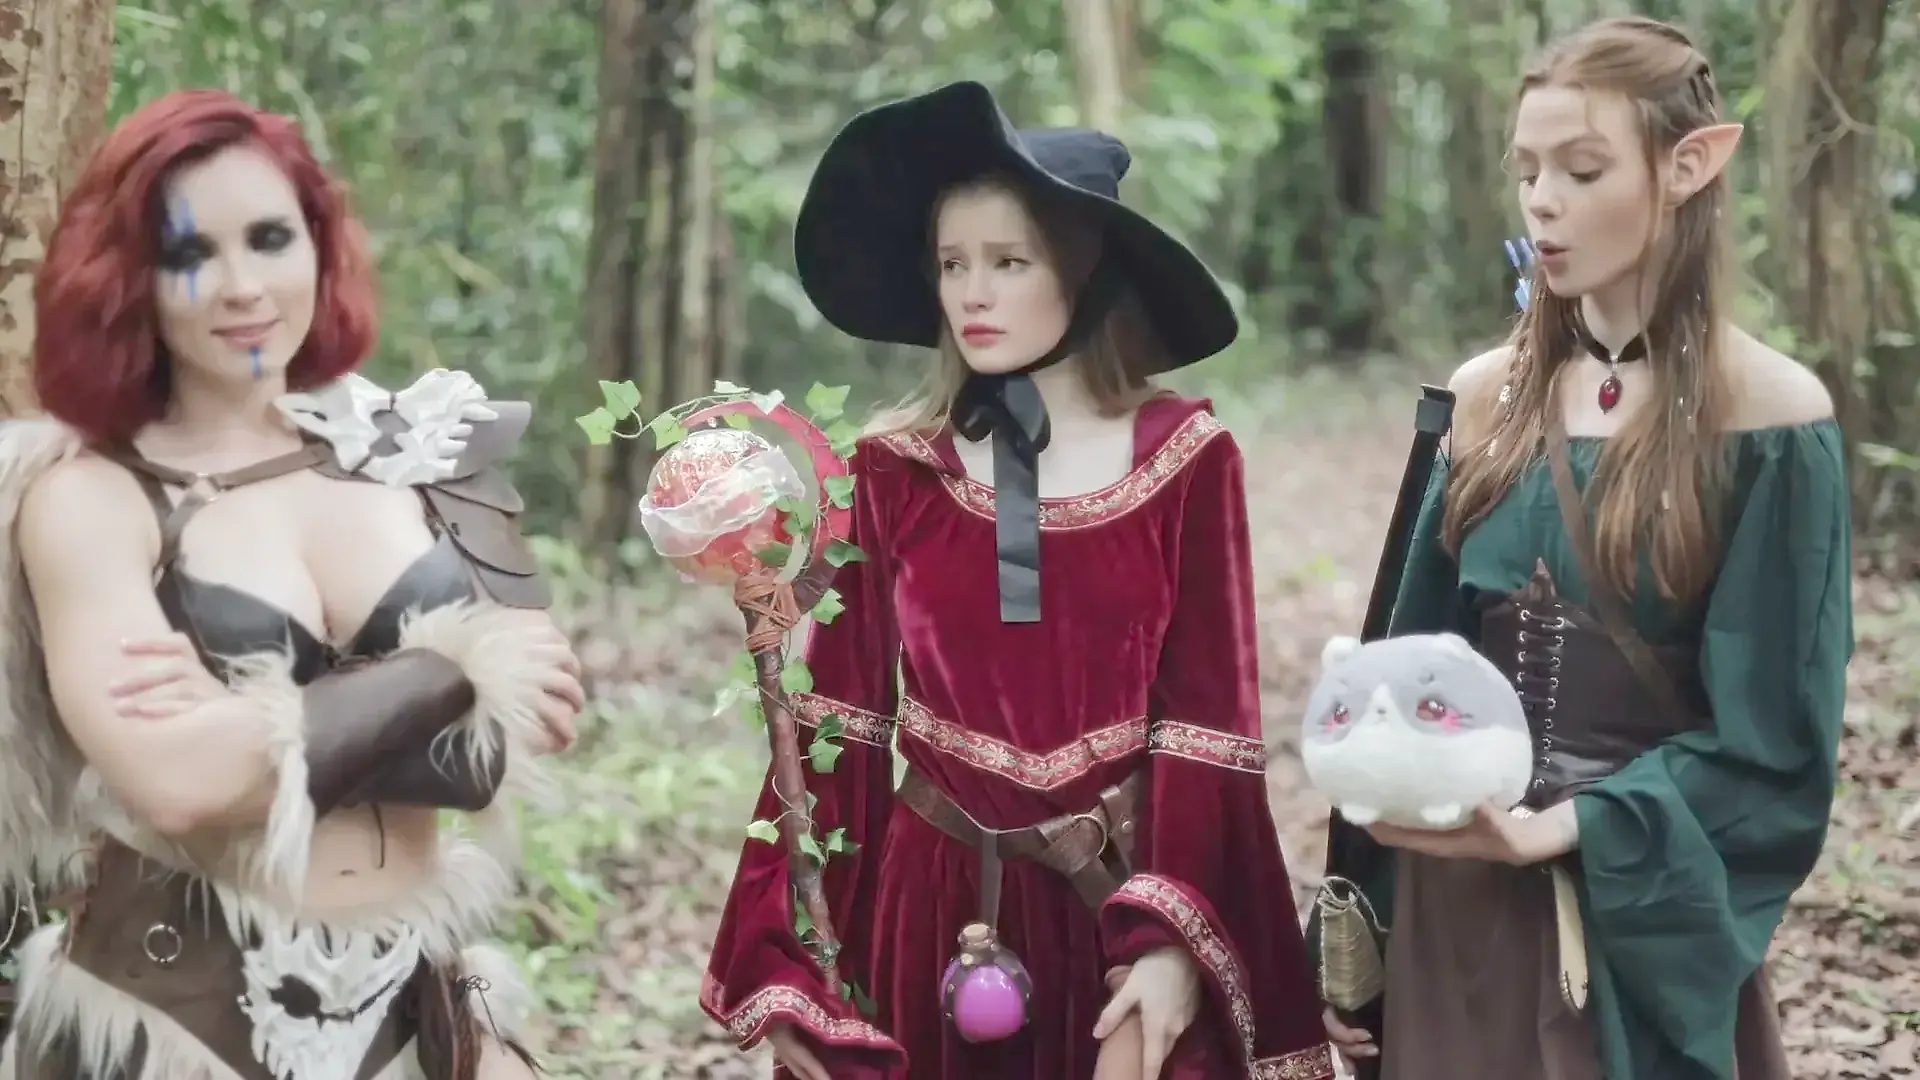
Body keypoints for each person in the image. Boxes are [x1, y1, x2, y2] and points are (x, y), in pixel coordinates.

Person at [697, 81, 1334, 1080]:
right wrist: (793, 957)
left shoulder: (1188, 459)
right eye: (953, 263)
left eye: (1008, 261)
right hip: (930, 907)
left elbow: (1209, 728)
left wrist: (1171, 941)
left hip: (1118, 906)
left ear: (1083, 272)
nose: (972, 294)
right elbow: (837, 723)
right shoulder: (893, 470)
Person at [0, 89, 582, 1079]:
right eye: (191, 253)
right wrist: (445, 676)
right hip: (172, 1022)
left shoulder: (406, 453)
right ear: (129, 276)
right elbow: (176, 785)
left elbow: (517, 736)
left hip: (415, 1008)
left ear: (318, 244)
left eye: (270, 238)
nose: (242, 287)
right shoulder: (90, 497)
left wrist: (251, 729)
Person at [1316, 16, 1851, 1080]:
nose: (1543, 201)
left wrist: (1567, 830)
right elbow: (1399, 666)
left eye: (1583, 168)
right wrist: (1355, 921)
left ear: (1690, 165)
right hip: (1453, 910)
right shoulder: (1484, 399)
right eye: (1527, 172)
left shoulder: (1772, 420)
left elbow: (1774, 743)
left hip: (1646, 913)